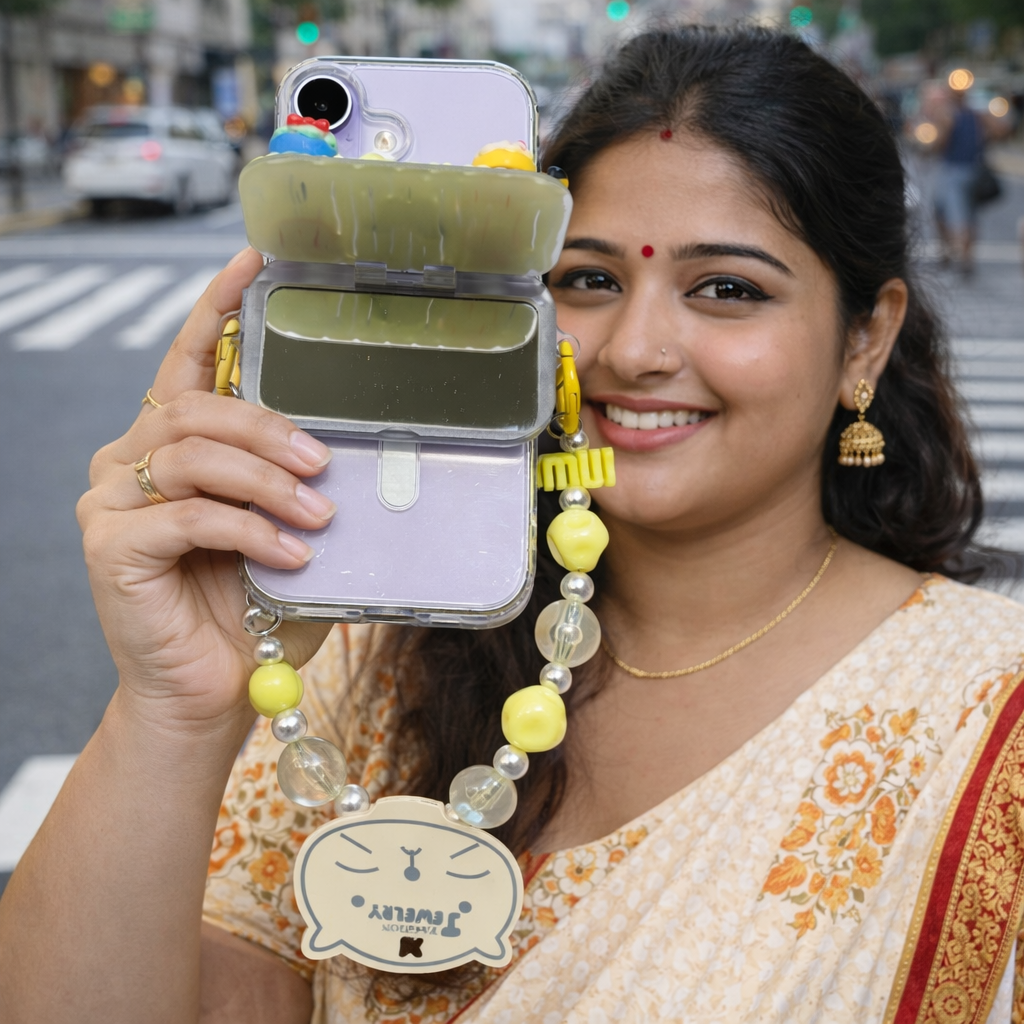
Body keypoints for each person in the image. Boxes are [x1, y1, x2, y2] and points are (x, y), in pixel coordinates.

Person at [3, 24, 1024, 1024]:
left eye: (725, 288)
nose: (634, 348)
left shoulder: (988, 722)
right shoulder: (366, 665)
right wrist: (171, 711)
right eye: (587, 279)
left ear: (865, 336)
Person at [931, 83, 991, 277]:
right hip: (969, 169)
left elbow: (939, 142)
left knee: (960, 217)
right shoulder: (976, 115)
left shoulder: (959, 115)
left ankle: (964, 258)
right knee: (946, 212)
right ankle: (950, 252)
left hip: (956, 170)